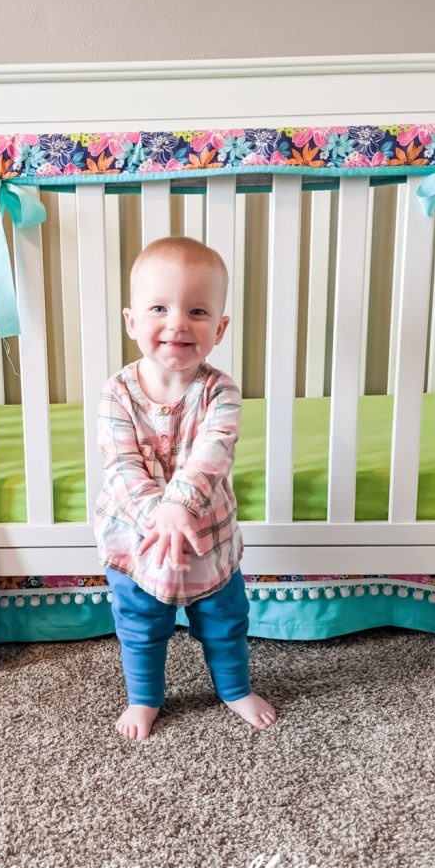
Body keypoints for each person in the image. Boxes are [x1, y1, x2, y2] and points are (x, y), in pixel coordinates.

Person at [94, 235, 277, 740]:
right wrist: (161, 516)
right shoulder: (117, 391)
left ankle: (234, 688)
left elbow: (212, 454)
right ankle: (145, 698)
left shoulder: (221, 391)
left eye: (196, 311)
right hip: (138, 538)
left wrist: (181, 507)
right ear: (132, 322)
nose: (177, 323)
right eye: (159, 307)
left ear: (219, 328)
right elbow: (122, 464)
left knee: (224, 619)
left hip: (205, 536)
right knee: (140, 625)